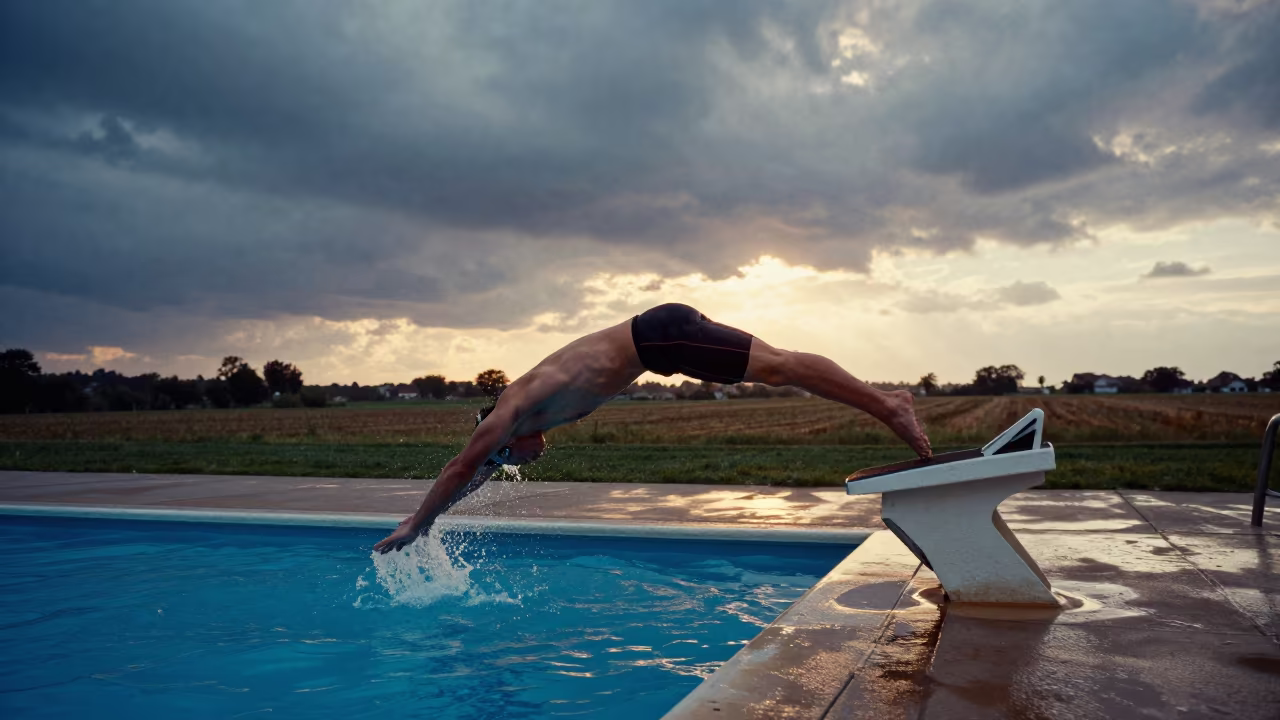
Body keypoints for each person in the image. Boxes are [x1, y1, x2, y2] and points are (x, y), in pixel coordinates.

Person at [374, 303, 932, 553]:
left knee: (780, 368)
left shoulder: (509, 413)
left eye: (509, 458)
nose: (520, 462)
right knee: (776, 367)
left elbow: (463, 466)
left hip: (662, 337)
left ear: (501, 439)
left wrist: (418, 524)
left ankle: (888, 406)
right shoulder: (523, 418)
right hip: (662, 339)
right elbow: (476, 476)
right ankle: (887, 403)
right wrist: (426, 517)